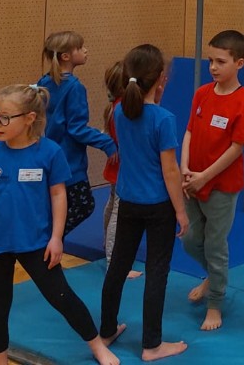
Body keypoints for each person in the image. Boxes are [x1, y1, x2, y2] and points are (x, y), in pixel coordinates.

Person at [0, 84, 122, 365]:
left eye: (5, 117)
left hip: (36, 242)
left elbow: (59, 195)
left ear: (30, 118)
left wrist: (56, 237)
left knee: (61, 296)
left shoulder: (49, 152)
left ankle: (97, 346)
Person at [100, 45, 189, 362]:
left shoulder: (120, 112)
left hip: (129, 200)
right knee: (156, 271)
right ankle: (152, 345)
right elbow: (170, 170)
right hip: (157, 206)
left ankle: (106, 329)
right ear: (161, 79)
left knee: (118, 267)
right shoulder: (163, 119)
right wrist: (181, 211)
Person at [180, 29, 244, 332]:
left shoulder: (243, 100)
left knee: (215, 245)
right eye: (210, 60)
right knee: (189, 240)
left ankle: (215, 303)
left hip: (220, 187)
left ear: (239, 63)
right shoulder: (202, 93)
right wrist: (185, 167)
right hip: (193, 181)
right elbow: (189, 131)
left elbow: (237, 148)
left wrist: (205, 176)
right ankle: (213, 276)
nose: (213, 67)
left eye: (221, 62)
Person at [38, 30, 117, 236]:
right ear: (66, 56)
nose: (85, 50)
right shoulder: (74, 87)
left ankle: (49, 242)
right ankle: (47, 239)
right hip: (69, 161)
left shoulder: (44, 82)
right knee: (84, 205)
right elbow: (77, 129)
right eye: (80, 48)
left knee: (58, 207)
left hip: (49, 155)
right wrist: (106, 143)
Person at [101, 60, 142, 279]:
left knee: (112, 206)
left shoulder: (115, 106)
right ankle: (113, 261)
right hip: (123, 169)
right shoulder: (122, 109)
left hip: (117, 167)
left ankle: (108, 250)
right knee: (118, 212)